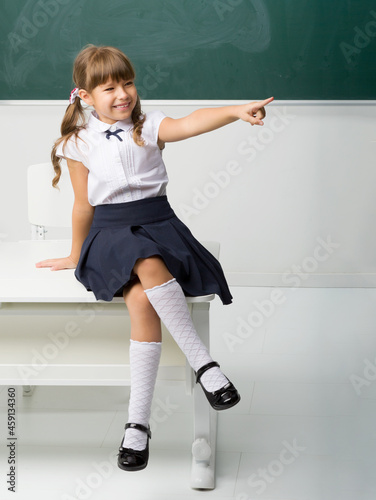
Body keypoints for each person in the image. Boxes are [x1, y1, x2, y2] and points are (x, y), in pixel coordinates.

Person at [36, 45, 274, 472]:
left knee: (143, 299)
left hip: (160, 226)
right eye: (109, 87)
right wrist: (75, 253)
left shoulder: (148, 124)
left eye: (127, 83)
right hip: (110, 234)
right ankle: (205, 365)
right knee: (143, 257)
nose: (122, 93)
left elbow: (192, 122)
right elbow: (82, 205)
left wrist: (236, 110)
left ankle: (137, 424)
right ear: (86, 96)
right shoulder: (77, 142)